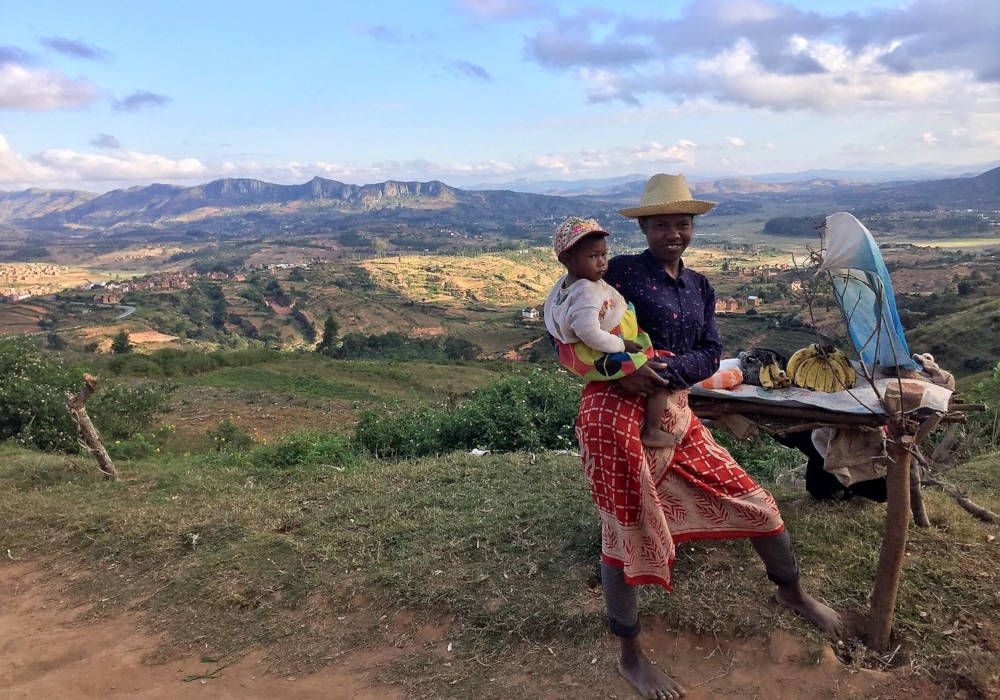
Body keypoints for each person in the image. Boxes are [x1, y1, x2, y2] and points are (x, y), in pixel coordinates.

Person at [570, 174, 842, 700]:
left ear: (692, 227)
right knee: (625, 530)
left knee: (754, 501)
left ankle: (793, 595)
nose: (673, 232)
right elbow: (568, 331)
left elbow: (711, 352)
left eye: (682, 222)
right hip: (612, 416)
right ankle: (630, 653)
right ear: (644, 227)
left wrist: (664, 370)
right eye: (662, 224)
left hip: (673, 411)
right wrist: (620, 371)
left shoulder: (699, 287)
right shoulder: (617, 273)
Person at [543, 217, 680, 448]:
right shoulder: (586, 294)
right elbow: (590, 332)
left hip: (595, 349)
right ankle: (652, 431)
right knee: (660, 379)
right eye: (593, 257)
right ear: (567, 260)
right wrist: (621, 345)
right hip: (606, 348)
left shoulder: (568, 284)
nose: (602, 263)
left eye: (604, 255)